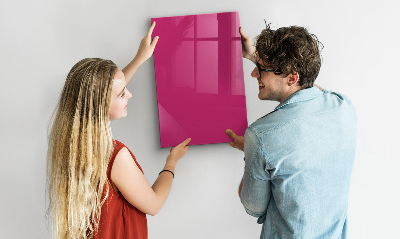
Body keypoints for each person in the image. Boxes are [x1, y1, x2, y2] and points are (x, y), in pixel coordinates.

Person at [46, 22, 191, 239]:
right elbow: (153, 204)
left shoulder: (69, 143)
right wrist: (172, 162)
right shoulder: (115, 156)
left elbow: (104, 92)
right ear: (101, 104)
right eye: (122, 94)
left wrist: (140, 58)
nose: (129, 95)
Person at [226, 24, 357, 238]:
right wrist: (254, 56)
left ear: (292, 78)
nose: (253, 73)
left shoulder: (260, 136)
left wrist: (253, 151)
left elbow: (253, 207)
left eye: (260, 68)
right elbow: (311, 88)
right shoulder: (344, 107)